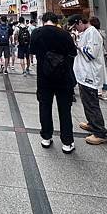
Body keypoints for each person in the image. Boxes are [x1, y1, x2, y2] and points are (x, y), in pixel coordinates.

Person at [29, 12, 78, 154]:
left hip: (44, 78)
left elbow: (32, 52)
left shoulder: (37, 33)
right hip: (63, 77)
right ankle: (67, 142)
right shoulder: (64, 34)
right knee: (65, 109)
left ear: (43, 20)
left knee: (45, 106)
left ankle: (46, 137)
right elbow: (73, 53)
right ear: (56, 21)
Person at [68, 14, 107, 145]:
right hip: (84, 75)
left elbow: (91, 53)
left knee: (92, 103)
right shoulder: (87, 32)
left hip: (89, 75)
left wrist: (77, 46)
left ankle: (99, 132)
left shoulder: (93, 33)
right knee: (87, 102)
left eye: (76, 26)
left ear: (80, 22)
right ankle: (92, 123)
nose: (76, 29)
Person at [90, 16, 107, 100]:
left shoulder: (93, 33)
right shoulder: (102, 33)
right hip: (103, 54)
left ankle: (98, 91)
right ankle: (103, 92)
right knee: (103, 74)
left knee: (96, 73)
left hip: (97, 56)